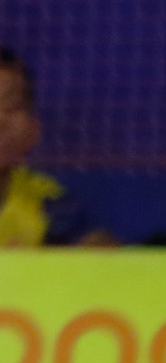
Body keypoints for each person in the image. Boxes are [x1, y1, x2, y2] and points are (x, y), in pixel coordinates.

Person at [0, 47, 114, 248]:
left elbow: (101, 252)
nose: (1, 120)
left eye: (11, 107)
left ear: (34, 130)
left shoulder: (48, 202)